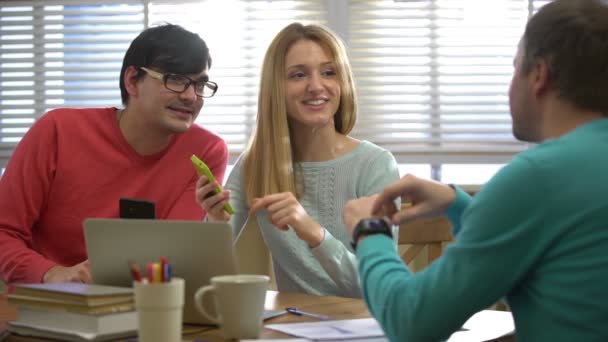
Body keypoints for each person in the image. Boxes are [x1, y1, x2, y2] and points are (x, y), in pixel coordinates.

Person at [342, 0, 608, 340]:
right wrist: (457, 203)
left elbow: (412, 322)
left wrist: (370, 231)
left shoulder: (538, 177)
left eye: (515, 69)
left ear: (539, 76)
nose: (509, 86)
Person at [0, 24, 228, 285]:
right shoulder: (57, 131)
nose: (191, 96)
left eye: (199, 84)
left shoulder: (206, 151)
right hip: (50, 304)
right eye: (175, 79)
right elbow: (4, 232)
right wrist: (52, 274)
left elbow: (170, 258)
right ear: (132, 81)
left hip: (144, 305)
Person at [196, 23, 400, 298]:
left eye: (329, 72)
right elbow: (200, 272)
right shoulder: (256, 164)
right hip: (292, 327)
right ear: (275, 88)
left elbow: (379, 288)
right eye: (298, 75)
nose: (316, 86)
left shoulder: (375, 165)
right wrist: (216, 222)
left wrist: (314, 232)